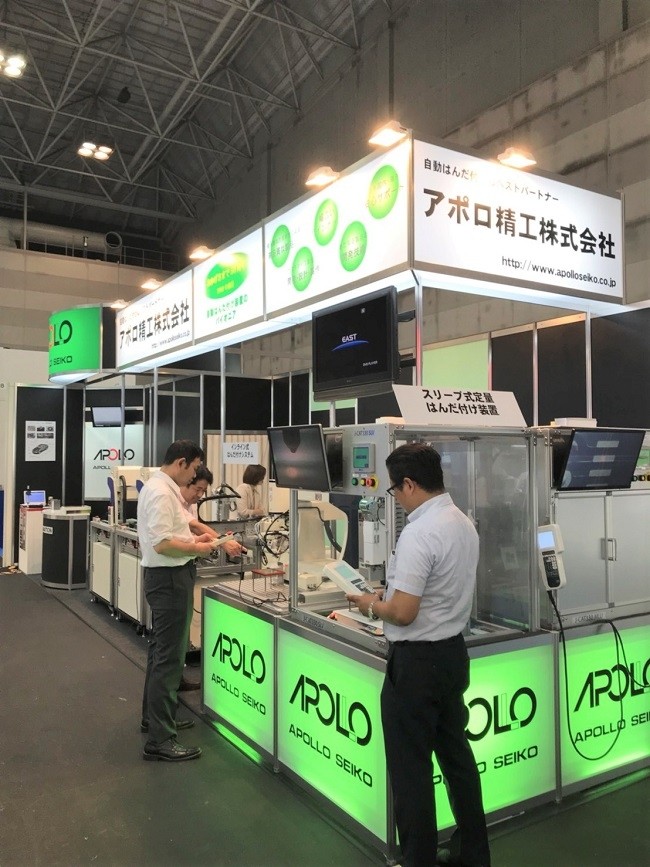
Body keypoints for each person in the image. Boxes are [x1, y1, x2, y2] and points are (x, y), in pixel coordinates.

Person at [346, 443, 490, 867]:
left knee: (411, 773)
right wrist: (390, 595)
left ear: (409, 484)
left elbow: (404, 613)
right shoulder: (462, 522)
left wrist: (370, 604)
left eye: (394, 489)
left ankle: (417, 860)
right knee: (457, 761)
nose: (396, 497)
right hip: (451, 657)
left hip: (416, 668)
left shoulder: (419, 532)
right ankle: (473, 853)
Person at [137, 440, 236, 762]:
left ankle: (155, 720)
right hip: (169, 580)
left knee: (160, 654)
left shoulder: (160, 489)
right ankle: (161, 740)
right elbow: (163, 544)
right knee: (168, 660)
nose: (194, 476)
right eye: (194, 469)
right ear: (181, 462)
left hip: (167, 578)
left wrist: (196, 538)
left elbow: (171, 535)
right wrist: (199, 548)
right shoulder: (162, 493)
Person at [176, 465, 243, 692]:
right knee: (169, 639)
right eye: (198, 489)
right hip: (171, 573)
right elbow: (195, 526)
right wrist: (224, 542)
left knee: (178, 634)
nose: (200, 495)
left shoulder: (190, 504)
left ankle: (176, 678)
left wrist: (218, 541)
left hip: (185, 567)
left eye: (204, 491)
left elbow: (196, 530)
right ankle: (165, 697)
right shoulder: (173, 500)